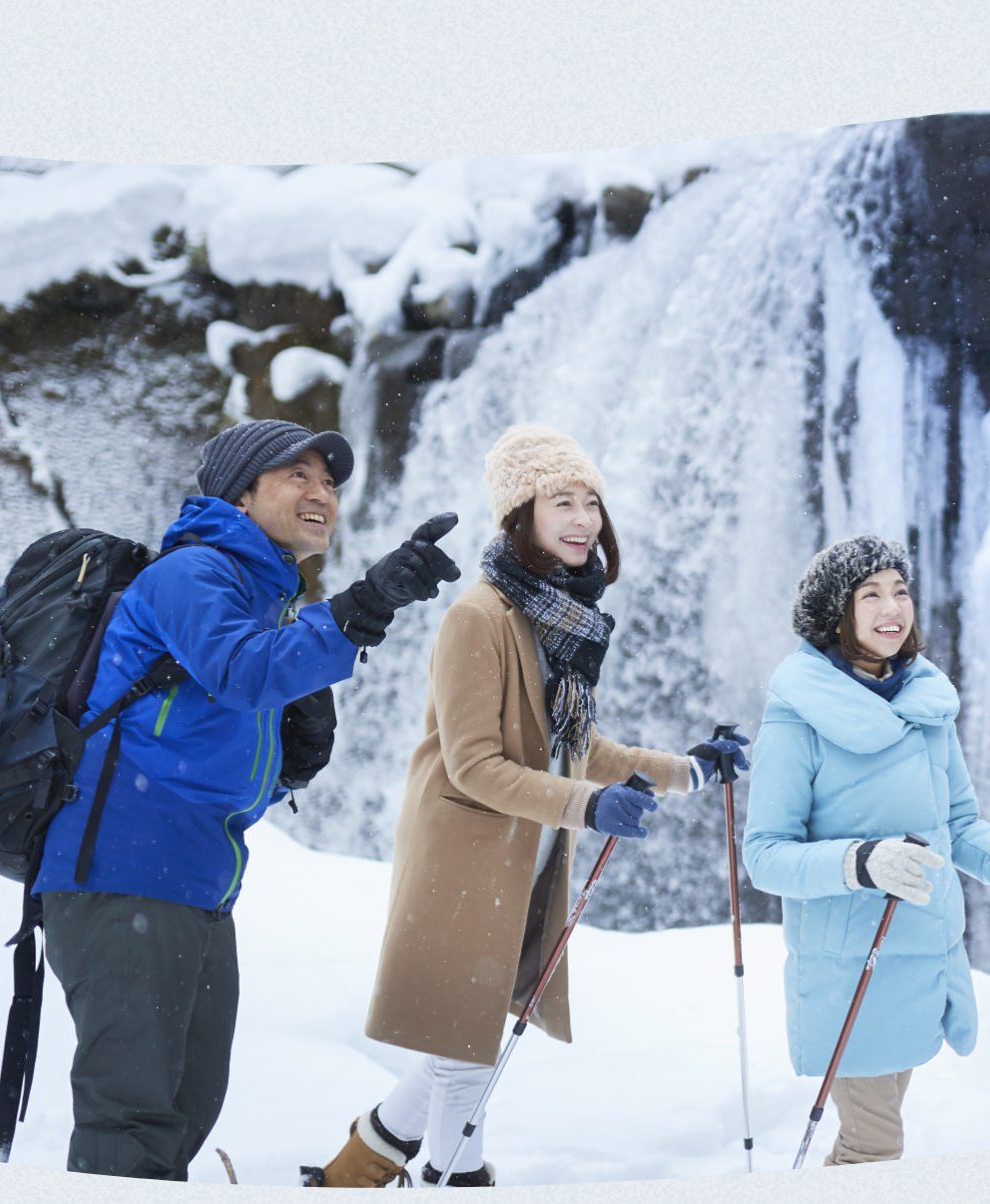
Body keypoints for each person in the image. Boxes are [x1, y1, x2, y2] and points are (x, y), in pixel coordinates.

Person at [307, 425, 752, 1188]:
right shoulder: (478, 617)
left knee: (458, 1044)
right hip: (465, 864)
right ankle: (458, 1179)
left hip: (524, 862)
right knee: (464, 1056)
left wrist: (689, 771)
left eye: (590, 502)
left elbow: (578, 747)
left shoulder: (556, 620)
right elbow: (475, 765)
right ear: (522, 513)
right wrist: (588, 807)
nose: (583, 520)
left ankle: (359, 1166)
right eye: (561, 502)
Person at [35, 418, 462, 1180]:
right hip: (123, 871)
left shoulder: (264, 600)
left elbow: (213, 731)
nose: (321, 493)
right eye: (296, 475)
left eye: (329, 483)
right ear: (240, 492)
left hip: (196, 883)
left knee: (185, 1108)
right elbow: (239, 672)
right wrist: (363, 606)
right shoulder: (192, 574)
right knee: (128, 1116)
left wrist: (288, 765)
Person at [743, 535, 990, 1166]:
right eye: (871, 593)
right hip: (853, 966)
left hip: (923, 957)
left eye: (900, 591)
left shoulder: (924, 703)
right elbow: (766, 855)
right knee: (874, 1147)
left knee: (865, 1146)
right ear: (837, 613)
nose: (893, 607)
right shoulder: (797, 715)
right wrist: (859, 863)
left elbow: (958, 826)